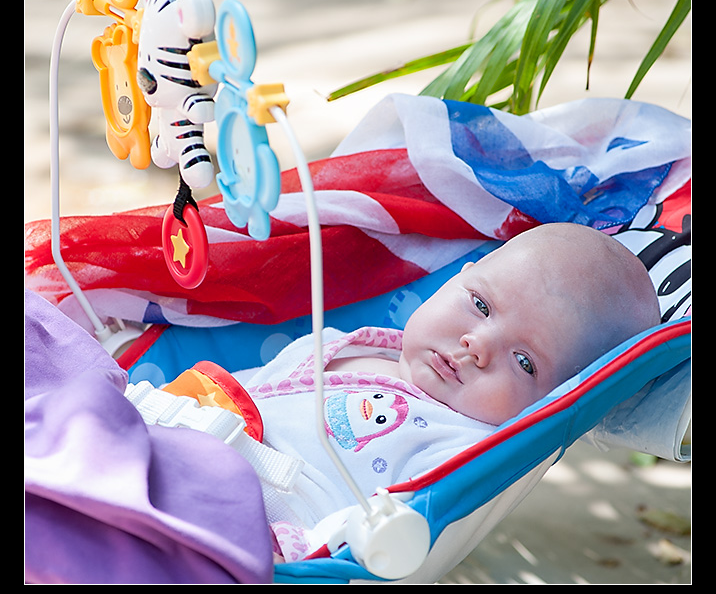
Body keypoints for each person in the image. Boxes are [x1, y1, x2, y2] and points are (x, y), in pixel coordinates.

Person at [131, 222, 661, 562]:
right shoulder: (342, 342)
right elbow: (243, 391)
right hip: (162, 435)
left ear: (551, 403)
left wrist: (300, 549)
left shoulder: (459, 448)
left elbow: (371, 531)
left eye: (525, 363)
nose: (477, 344)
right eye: (480, 305)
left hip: (237, 521)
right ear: (456, 280)